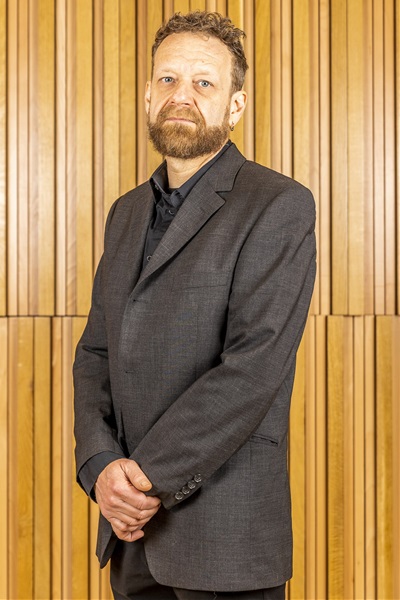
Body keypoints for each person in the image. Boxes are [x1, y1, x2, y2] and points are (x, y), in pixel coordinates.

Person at [73, 10, 316, 600]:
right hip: (131, 539)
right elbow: (96, 354)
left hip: (223, 537)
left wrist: (142, 480)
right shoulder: (125, 213)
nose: (181, 95)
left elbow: (251, 371)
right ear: (148, 95)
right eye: (168, 79)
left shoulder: (278, 204)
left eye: (204, 82)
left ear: (235, 105)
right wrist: (100, 465)